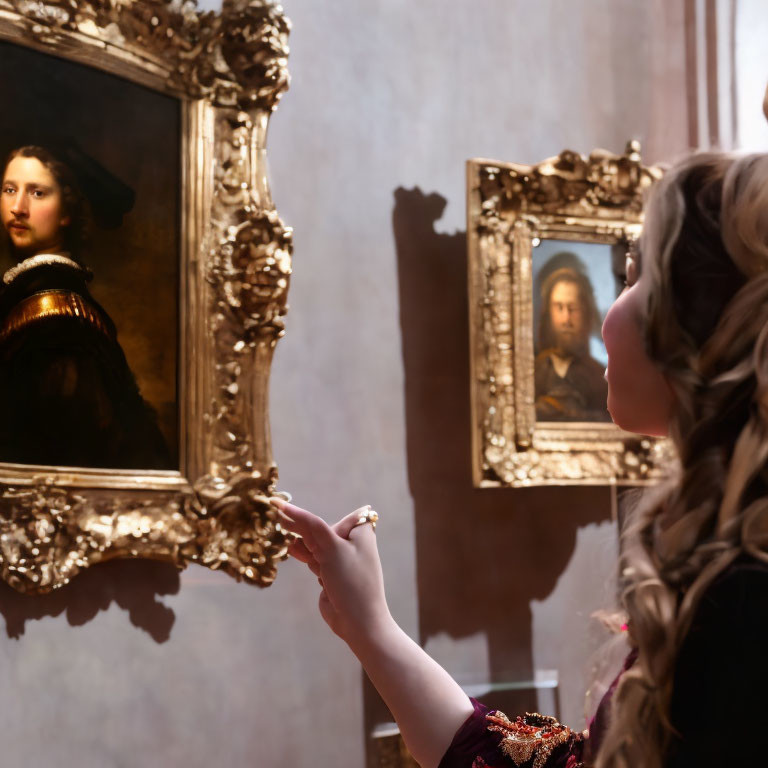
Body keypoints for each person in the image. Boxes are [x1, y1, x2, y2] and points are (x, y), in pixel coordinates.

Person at [272, 150, 768, 767]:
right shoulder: (726, 575)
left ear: (696, 324)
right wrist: (369, 626)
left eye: (635, 275)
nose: (603, 314)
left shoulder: (740, 605)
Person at [0, 145, 172, 469]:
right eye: (10, 190)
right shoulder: (22, 291)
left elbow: (57, 447)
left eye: (37, 193)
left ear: (66, 212)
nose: (17, 207)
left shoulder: (57, 314)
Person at [535, 265, 609, 422]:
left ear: (585, 313)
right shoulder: (532, 371)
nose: (565, 320)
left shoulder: (600, 377)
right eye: (558, 308)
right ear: (548, 313)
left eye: (573, 308)